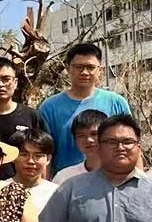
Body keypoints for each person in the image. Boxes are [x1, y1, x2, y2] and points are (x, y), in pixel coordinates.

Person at [37, 43, 132, 173]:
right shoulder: (50, 107)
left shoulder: (116, 102)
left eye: (90, 67)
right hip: (65, 179)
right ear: (68, 69)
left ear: (100, 70)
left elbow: (131, 145)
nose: (84, 72)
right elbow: (43, 152)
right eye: (79, 67)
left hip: (111, 177)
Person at [0, 56, 40, 180]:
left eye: (6, 79)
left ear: (15, 82)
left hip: (23, 185)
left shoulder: (31, 115)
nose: (0, 84)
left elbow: (43, 154)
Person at [52, 109, 109, 185]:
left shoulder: (121, 174)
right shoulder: (64, 177)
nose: (88, 140)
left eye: (94, 134)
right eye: (81, 136)